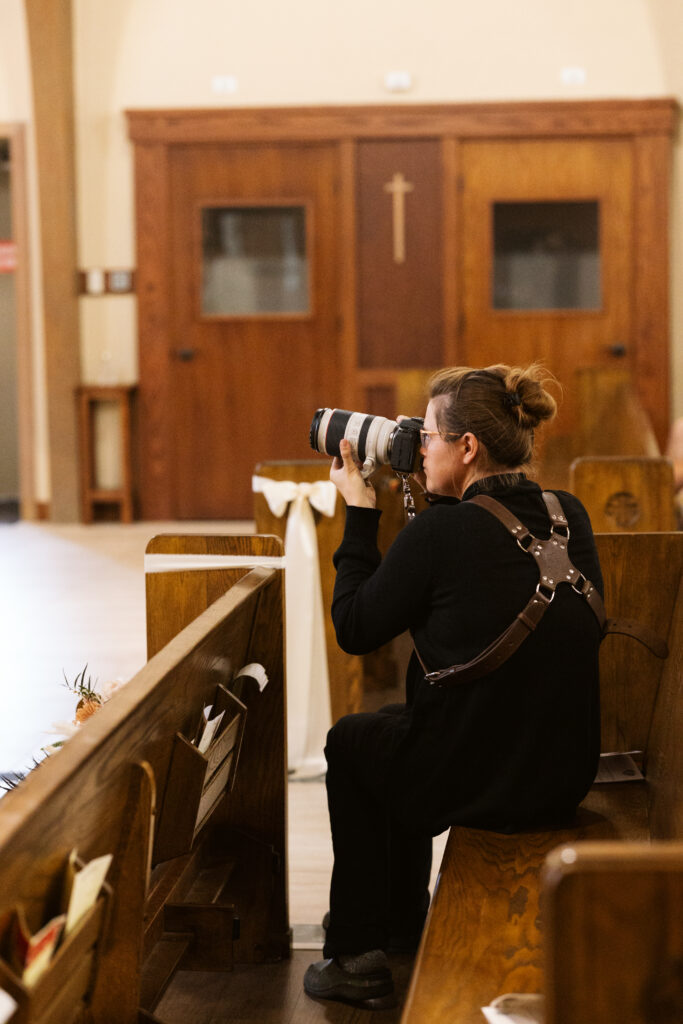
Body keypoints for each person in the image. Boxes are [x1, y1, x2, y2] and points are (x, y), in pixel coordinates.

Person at [303, 364, 603, 1010]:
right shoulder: (567, 515)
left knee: (352, 743)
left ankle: (357, 953)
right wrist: (432, 499)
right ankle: (401, 921)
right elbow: (479, 553)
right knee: (397, 732)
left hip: (484, 782)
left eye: (429, 436)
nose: (419, 447)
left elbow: (354, 627)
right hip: (563, 772)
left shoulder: (438, 535)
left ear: (467, 447)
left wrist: (361, 514)